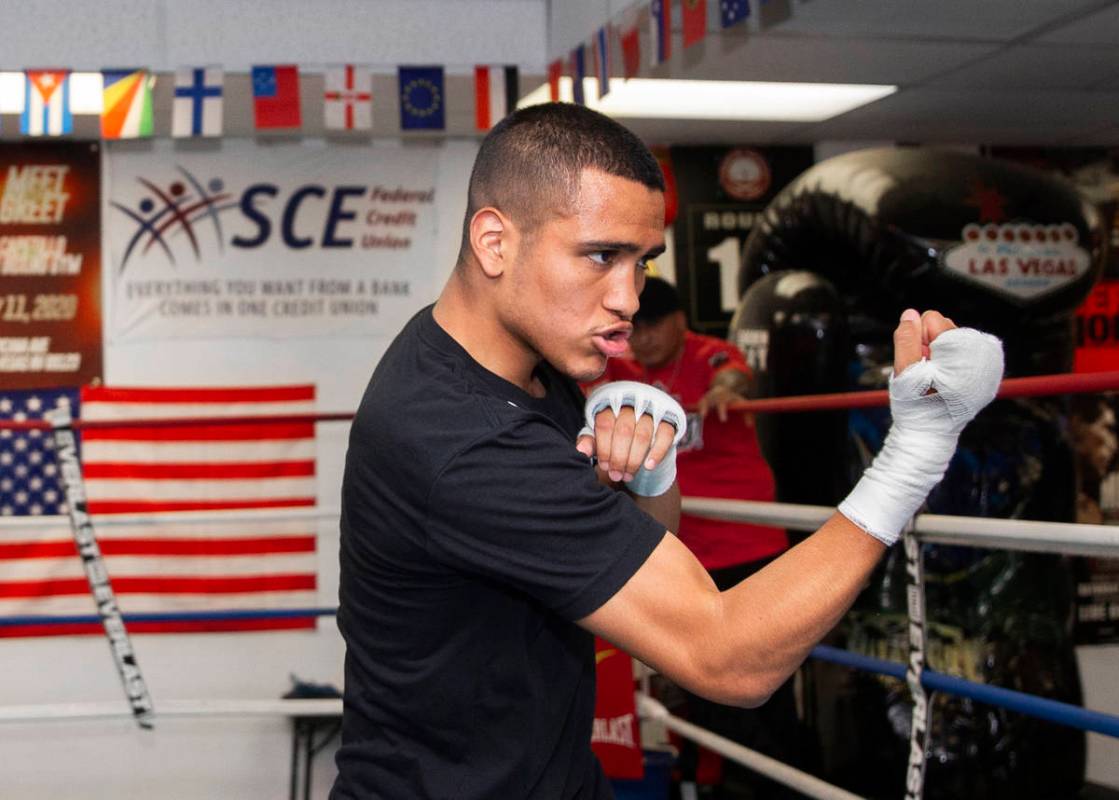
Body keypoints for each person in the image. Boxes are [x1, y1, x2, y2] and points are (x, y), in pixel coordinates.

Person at [331, 102, 1004, 800]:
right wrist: (914, 452)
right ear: (495, 241)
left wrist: (650, 473)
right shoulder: (461, 437)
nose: (627, 297)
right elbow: (729, 663)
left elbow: (643, 557)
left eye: (641, 260)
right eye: (599, 255)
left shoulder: (507, 360)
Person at [590, 276, 800, 798]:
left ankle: (779, 785)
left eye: (655, 327)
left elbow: (734, 375)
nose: (644, 340)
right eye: (636, 329)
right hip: (682, 553)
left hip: (748, 546)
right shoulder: (624, 370)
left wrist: (726, 393)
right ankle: (718, 782)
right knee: (702, 684)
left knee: (761, 688)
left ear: (680, 322)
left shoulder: (710, 355)